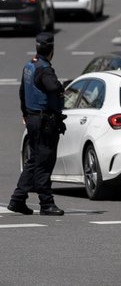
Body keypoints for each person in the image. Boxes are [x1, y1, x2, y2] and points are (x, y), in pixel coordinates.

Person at [8, 33, 66, 216]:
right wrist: (60, 87)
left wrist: (25, 113)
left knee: (34, 160)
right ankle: (46, 204)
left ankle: (18, 199)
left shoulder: (30, 66)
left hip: (33, 119)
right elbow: (53, 88)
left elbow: (22, 92)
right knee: (44, 161)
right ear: (52, 50)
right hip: (44, 121)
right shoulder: (45, 70)